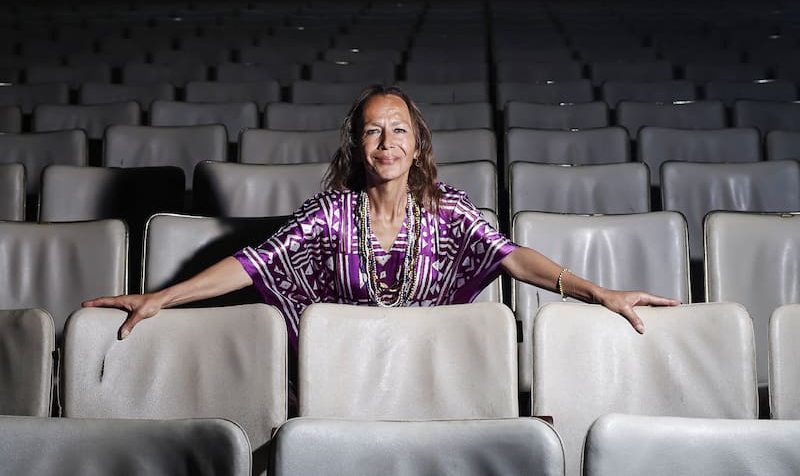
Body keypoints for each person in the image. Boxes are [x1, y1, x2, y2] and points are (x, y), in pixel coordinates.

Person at [84, 85, 679, 345]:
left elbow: (513, 257)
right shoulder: (330, 214)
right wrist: (163, 297)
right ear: (358, 147)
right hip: (341, 367)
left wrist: (598, 292)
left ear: (416, 146)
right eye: (373, 131)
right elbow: (253, 263)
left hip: (428, 363)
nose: (387, 142)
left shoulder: (448, 210)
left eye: (399, 131)